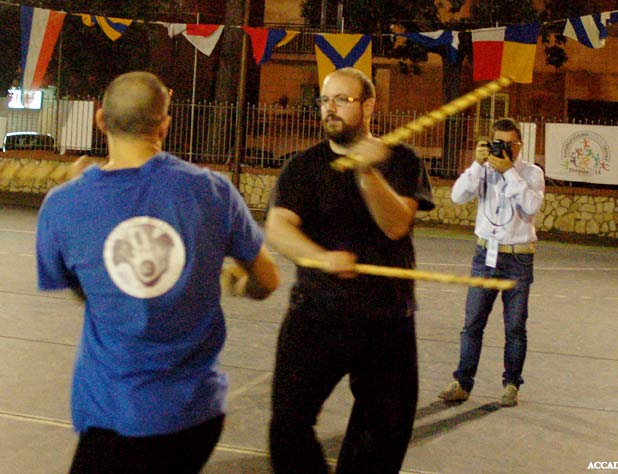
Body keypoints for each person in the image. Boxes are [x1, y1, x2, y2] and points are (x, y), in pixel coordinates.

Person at [36, 71, 280, 473]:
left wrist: (81, 194)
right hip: (196, 415)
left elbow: (83, 289)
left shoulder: (64, 205)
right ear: (164, 125)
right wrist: (242, 284)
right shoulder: (213, 191)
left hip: (115, 413)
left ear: (100, 120)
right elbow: (268, 280)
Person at [265, 67, 434, 474]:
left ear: (369, 106)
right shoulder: (303, 167)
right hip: (316, 315)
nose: (331, 108)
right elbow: (278, 227)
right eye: (325, 100)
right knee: (288, 425)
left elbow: (396, 225)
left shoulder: (401, 160)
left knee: (385, 433)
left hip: (387, 319)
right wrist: (321, 257)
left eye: (343, 99)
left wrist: (366, 171)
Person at [438, 117, 545, 407]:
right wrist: (476, 165)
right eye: (499, 143)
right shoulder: (483, 170)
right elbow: (457, 196)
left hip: (518, 257)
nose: (504, 149)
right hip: (485, 254)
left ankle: (511, 384)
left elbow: (531, 206)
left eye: (510, 144)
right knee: (472, 323)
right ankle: (462, 383)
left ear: (519, 144)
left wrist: (509, 171)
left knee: (515, 328)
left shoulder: (531, 173)